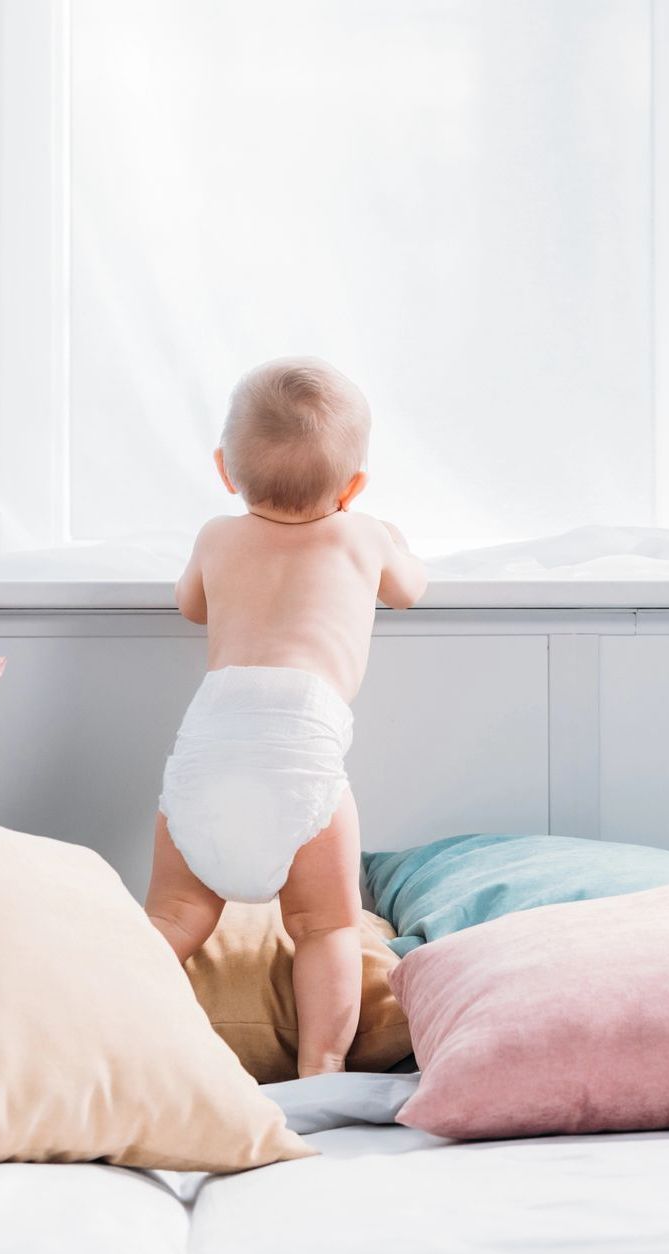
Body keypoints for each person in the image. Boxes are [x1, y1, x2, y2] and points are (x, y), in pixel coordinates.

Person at [146, 356, 427, 1077]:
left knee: (170, 921)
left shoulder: (216, 536)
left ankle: (110, 1037)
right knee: (326, 927)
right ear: (355, 486)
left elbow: (190, 604)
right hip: (298, 748)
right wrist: (391, 538)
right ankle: (319, 1071)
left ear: (224, 470)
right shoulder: (361, 536)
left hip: (208, 744)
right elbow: (409, 591)